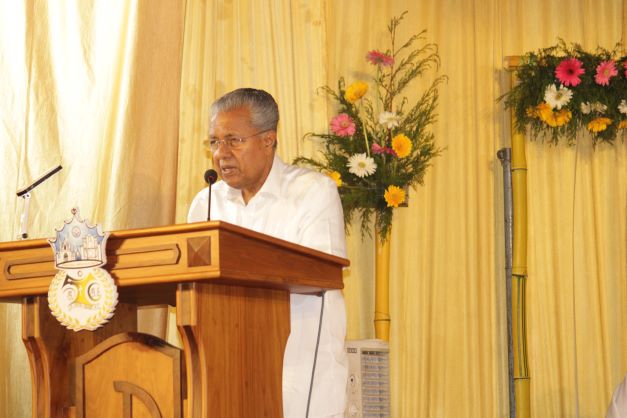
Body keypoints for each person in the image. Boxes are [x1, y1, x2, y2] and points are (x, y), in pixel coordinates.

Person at [187, 88, 348, 418]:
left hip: (300, 375)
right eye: (214, 142)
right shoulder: (207, 203)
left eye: (233, 140)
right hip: (227, 380)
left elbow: (320, 276)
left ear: (268, 140)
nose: (221, 154)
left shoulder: (312, 192)